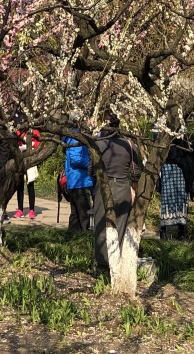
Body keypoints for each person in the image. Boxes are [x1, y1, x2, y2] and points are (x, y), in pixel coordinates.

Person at [93, 112, 140, 270]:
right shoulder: (129, 145)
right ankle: (115, 260)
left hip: (103, 187)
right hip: (122, 187)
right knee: (119, 225)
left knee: (101, 224)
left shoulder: (98, 144)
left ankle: (102, 263)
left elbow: (90, 169)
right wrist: (133, 188)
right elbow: (135, 173)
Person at [158, 134, 194, 241]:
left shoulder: (186, 135)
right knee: (166, 198)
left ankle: (181, 230)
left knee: (182, 198)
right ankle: (163, 229)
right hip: (167, 167)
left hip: (183, 170)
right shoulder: (166, 133)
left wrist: (186, 138)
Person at [62, 123, 93, 232]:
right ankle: (85, 237)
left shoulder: (71, 136)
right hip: (79, 180)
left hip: (74, 179)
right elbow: (76, 158)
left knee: (75, 214)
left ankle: (72, 237)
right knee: (84, 214)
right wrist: (91, 163)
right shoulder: (75, 137)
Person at [13, 121, 40, 219]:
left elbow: (38, 144)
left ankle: (31, 209)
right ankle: (20, 209)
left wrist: (31, 145)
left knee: (30, 185)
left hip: (30, 160)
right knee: (20, 186)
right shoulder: (18, 132)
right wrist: (20, 147)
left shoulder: (34, 131)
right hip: (20, 160)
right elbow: (14, 144)